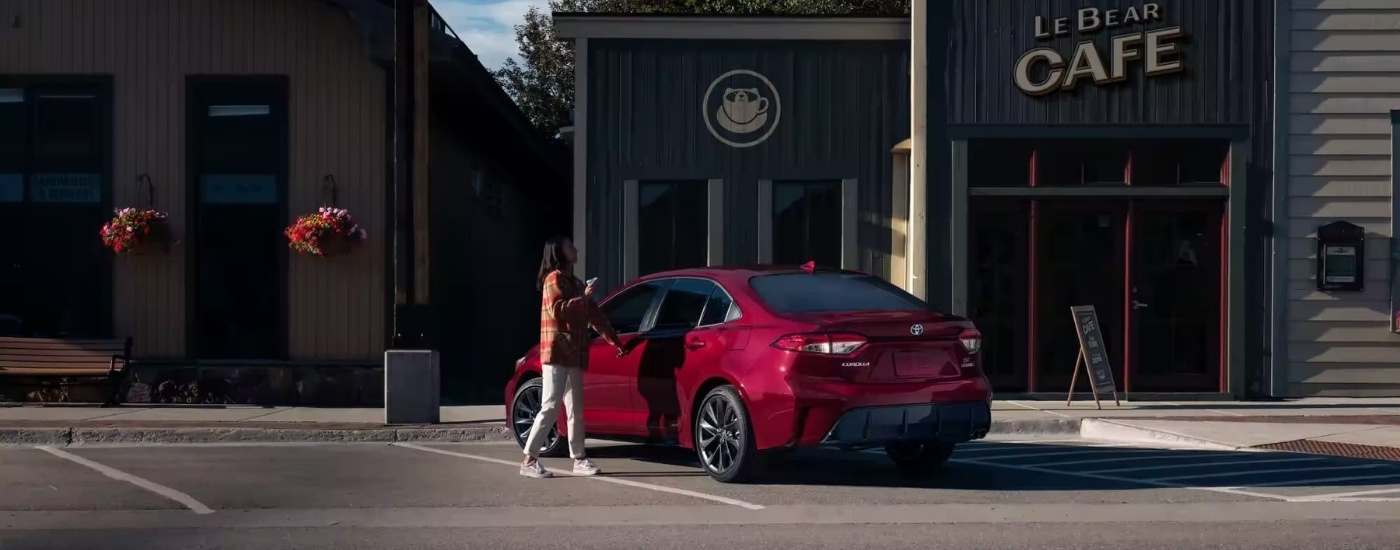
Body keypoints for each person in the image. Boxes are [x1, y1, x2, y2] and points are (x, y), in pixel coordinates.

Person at [520, 235, 628, 479]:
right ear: (559, 253)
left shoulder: (576, 282)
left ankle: (579, 459)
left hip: (575, 354)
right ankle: (529, 460)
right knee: (550, 405)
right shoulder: (553, 279)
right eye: (570, 246)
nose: (575, 249)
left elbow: (595, 317)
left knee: (575, 408)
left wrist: (616, 341)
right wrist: (585, 297)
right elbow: (557, 310)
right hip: (557, 352)